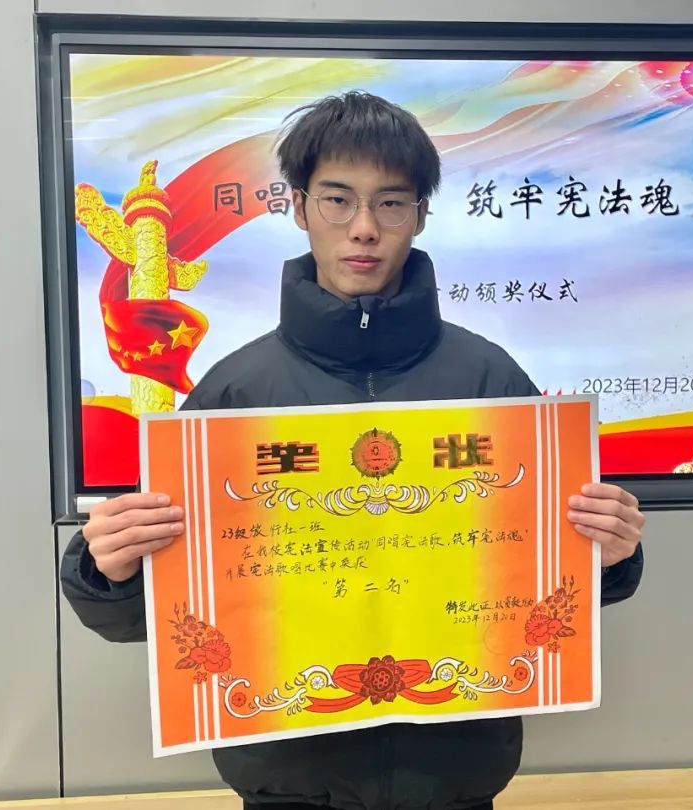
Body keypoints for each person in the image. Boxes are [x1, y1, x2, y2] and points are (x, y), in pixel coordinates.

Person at [62, 91, 645, 810]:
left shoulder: (491, 382)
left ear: (420, 215)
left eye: (391, 204)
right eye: (338, 201)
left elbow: (552, 586)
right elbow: (156, 614)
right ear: (299, 207)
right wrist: (108, 568)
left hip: (453, 785)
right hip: (288, 785)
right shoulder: (234, 393)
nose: (364, 228)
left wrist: (609, 553)